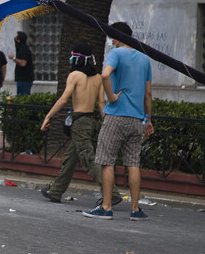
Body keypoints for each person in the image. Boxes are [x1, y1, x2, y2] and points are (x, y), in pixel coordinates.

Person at [83, 22, 154, 221]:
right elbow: (148, 94)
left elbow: (105, 74)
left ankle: (106, 207)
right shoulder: (144, 59)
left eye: (112, 37)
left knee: (107, 162)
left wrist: (111, 97)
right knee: (133, 163)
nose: (111, 41)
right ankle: (135, 209)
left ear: (119, 37)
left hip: (116, 115)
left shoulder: (116, 54)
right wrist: (147, 119)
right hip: (137, 118)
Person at [40, 43, 122, 205]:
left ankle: (112, 194)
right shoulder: (98, 77)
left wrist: (48, 116)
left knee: (89, 159)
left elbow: (64, 99)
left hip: (79, 122)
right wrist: (106, 122)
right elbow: (100, 103)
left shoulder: (75, 75)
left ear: (77, 58)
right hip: (91, 120)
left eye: (72, 56)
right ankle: (56, 192)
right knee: (71, 158)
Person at [8, 31, 34, 95]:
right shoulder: (20, 48)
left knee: (23, 98)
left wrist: (13, 58)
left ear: (19, 40)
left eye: (16, 38)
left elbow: (23, 63)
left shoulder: (24, 49)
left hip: (24, 79)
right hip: (22, 79)